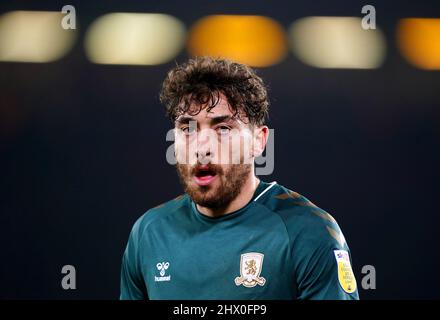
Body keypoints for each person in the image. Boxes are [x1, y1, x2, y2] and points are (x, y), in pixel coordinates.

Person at [120, 56, 359, 300]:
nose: (203, 148)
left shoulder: (308, 233)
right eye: (188, 128)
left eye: (223, 128)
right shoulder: (149, 233)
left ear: (259, 141)